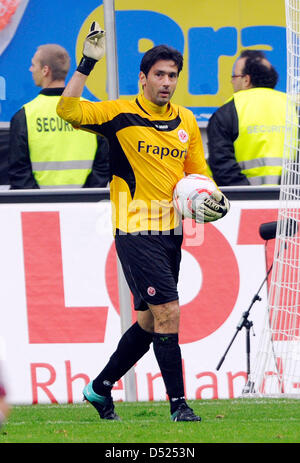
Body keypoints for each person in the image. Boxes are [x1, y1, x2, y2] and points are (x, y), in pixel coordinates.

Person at [57, 22, 230, 422]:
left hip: (171, 233)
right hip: (135, 231)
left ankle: (99, 389)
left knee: (151, 323)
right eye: (160, 75)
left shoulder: (186, 121)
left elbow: (199, 174)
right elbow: (66, 110)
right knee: (169, 312)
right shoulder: (119, 113)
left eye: (173, 76)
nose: (167, 82)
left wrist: (213, 198)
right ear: (143, 78)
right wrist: (86, 64)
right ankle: (179, 406)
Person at [8, 44, 110, 189]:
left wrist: (38, 201)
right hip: (86, 206)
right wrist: (87, 197)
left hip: (40, 208)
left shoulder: (25, 115)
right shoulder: (90, 111)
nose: (31, 69)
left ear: (45, 70)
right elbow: (103, 166)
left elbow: (19, 172)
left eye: (33, 64)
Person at [207, 49, 288, 186]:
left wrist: (247, 195)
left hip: (244, 201)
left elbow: (222, 165)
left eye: (234, 76)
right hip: (291, 200)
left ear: (246, 80)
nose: (232, 81)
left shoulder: (226, 112)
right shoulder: (293, 107)